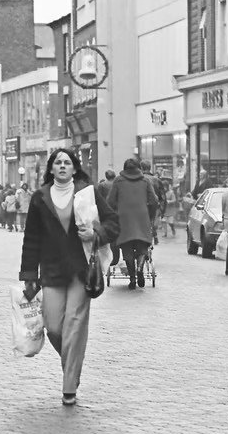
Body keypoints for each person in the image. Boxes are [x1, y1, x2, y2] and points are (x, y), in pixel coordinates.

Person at [19, 148, 119, 406]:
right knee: (53, 326)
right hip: (51, 270)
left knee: (74, 323)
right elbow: (31, 238)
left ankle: (69, 385)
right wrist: (29, 275)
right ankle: (73, 362)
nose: (62, 166)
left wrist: (96, 235)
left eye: (67, 162)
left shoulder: (88, 193)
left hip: (81, 269)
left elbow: (113, 222)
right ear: (51, 168)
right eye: (57, 162)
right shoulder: (40, 198)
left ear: (74, 168)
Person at [107, 158, 158, 290]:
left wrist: (114, 215)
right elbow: (153, 201)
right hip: (142, 217)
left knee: (127, 248)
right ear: (139, 168)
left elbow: (110, 201)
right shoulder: (145, 181)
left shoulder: (118, 180)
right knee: (142, 247)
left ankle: (132, 279)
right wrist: (150, 215)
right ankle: (140, 268)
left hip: (124, 218)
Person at [141, 160, 166, 245]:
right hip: (155, 206)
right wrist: (163, 211)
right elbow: (163, 197)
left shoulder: (138, 179)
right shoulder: (157, 180)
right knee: (153, 223)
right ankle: (154, 235)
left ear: (141, 168)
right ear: (150, 168)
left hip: (141, 206)